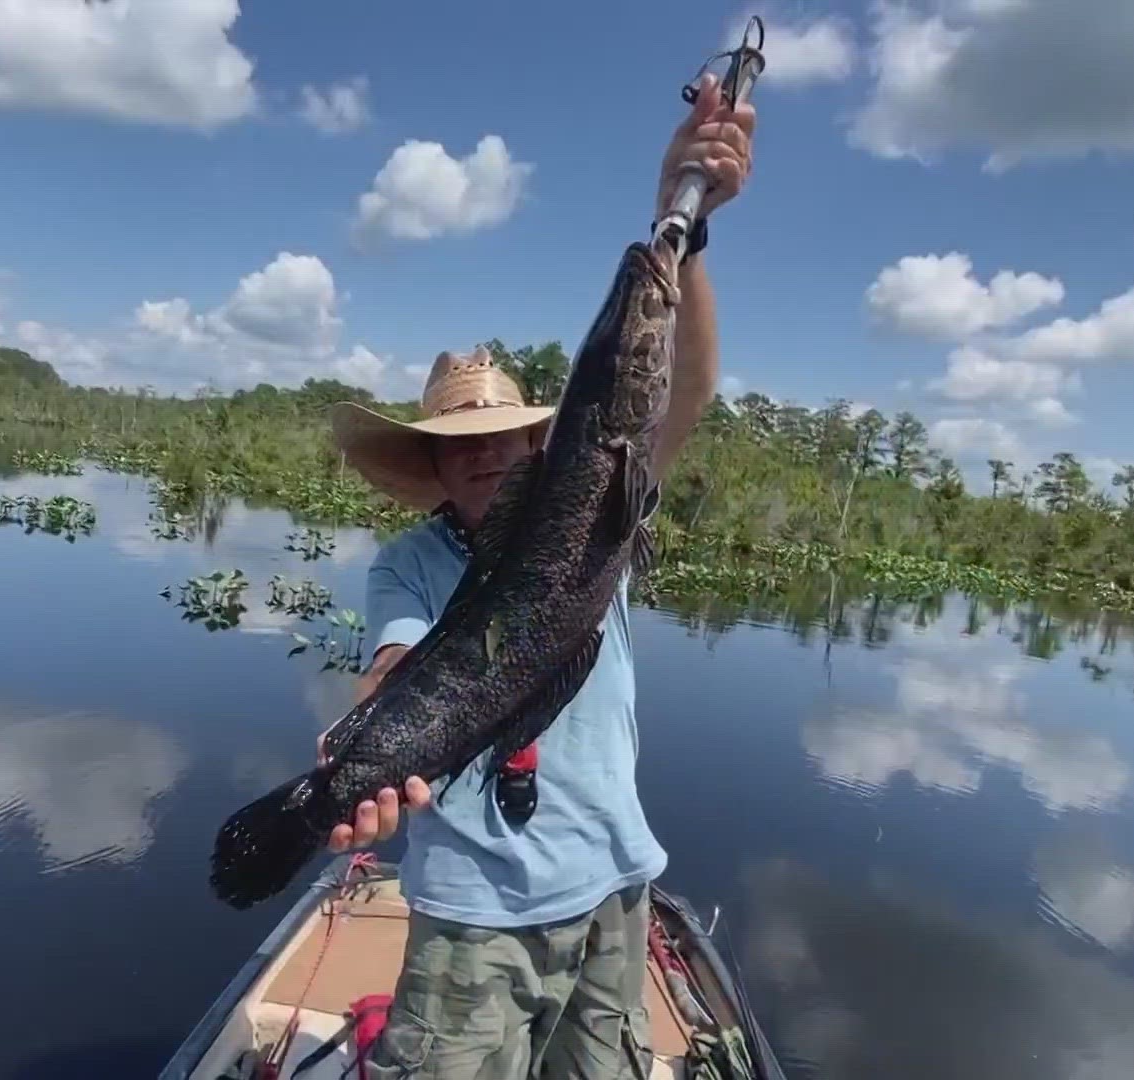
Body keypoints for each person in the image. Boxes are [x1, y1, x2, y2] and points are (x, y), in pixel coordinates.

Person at [321, 72, 755, 1079]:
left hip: (613, 896)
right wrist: (359, 754)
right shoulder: (410, 565)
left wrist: (682, 224)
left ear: (531, 445)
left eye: (500, 434)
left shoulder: (603, 508)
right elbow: (396, 664)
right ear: (431, 463)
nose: (480, 453)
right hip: (473, 919)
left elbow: (676, 386)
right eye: (455, 443)